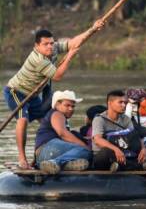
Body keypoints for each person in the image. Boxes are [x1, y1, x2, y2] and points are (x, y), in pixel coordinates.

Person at [2, 20, 105, 169]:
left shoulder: (54, 49)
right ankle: (22, 158)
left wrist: (92, 29)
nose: (50, 46)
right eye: (46, 44)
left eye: (51, 43)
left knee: (47, 121)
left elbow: (73, 43)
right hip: (17, 91)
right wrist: (69, 56)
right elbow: (57, 76)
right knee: (23, 119)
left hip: (34, 94)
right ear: (37, 46)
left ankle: (42, 157)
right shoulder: (38, 59)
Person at [92, 90, 146, 172]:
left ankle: (120, 166)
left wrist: (143, 148)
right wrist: (115, 149)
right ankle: (138, 166)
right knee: (106, 153)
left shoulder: (125, 118)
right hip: (108, 153)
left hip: (124, 152)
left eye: (125, 103)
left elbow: (135, 136)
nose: (124, 105)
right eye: (120, 102)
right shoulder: (99, 119)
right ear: (110, 103)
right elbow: (98, 140)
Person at [35, 90, 91, 174]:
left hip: (43, 156)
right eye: (67, 105)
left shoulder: (56, 116)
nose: (71, 109)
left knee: (84, 156)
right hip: (47, 149)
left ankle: (63, 164)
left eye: (73, 106)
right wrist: (84, 147)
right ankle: (55, 162)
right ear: (57, 104)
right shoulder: (57, 114)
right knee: (85, 151)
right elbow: (62, 133)